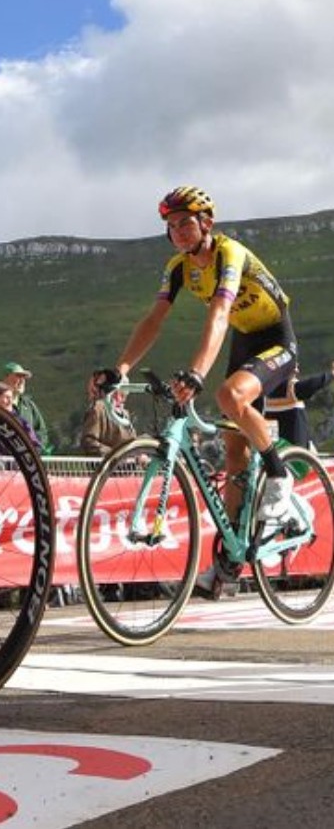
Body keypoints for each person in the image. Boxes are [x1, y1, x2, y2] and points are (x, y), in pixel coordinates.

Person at [106, 185, 300, 599]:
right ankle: (228, 567)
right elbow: (154, 318)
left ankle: (280, 478)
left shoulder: (230, 253)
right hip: (245, 342)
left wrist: (196, 373)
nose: (177, 231)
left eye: (185, 223)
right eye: (171, 226)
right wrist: (120, 369)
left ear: (206, 223)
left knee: (229, 396)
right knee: (234, 455)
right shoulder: (178, 267)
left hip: (276, 339)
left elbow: (219, 313)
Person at [264, 363, 333, 449]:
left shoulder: (263, 391)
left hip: (273, 446)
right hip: (294, 450)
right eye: (293, 367)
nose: (297, 370)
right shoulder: (288, 388)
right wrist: (331, 374)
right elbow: (311, 385)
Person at [79, 372, 137, 457]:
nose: (121, 398)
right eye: (117, 393)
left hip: (127, 468)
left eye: (123, 394)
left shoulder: (125, 414)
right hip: (107, 466)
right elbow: (89, 441)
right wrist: (116, 455)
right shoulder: (98, 408)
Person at [3, 362, 52, 452]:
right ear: (5, 378)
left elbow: (41, 431)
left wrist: (35, 450)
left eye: (23, 378)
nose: (22, 381)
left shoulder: (29, 406)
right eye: (18, 376)